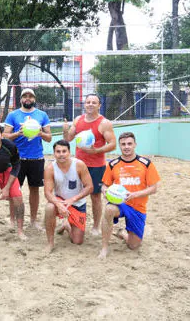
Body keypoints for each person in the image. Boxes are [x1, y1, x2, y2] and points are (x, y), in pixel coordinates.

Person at [98, 132, 160, 259]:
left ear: (135, 144)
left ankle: (123, 233)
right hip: (120, 203)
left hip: (138, 207)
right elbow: (104, 185)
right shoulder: (113, 164)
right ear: (120, 146)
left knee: (133, 245)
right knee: (109, 209)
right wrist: (104, 191)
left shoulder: (146, 163)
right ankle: (104, 248)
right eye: (123, 144)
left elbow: (154, 189)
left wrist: (134, 194)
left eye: (129, 144)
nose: (126, 147)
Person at [62, 94, 116, 235]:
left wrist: (96, 151)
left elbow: (113, 144)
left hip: (96, 166)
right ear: (84, 105)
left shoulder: (104, 123)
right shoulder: (78, 120)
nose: (90, 104)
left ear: (99, 105)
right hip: (78, 165)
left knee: (95, 197)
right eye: (88, 102)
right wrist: (64, 130)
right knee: (73, 194)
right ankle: (70, 221)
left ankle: (96, 226)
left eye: (94, 102)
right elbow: (68, 138)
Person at [4, 88, 52, 229]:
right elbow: (5, 136)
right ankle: (12, 220)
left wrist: (40, 133)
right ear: (21, 99)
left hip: (36, 158)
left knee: (34, 189)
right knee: (14, 191)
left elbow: (49, 138)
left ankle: (33, 220)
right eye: (25, 96)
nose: (27, 98)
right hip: (17, 159)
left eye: (30, 96)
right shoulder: (13, 115)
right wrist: (17, 134)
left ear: (34, 99)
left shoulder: (42, 115)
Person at [44, 139, 93, 252]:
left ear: (69, 152)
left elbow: (90, 187)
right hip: (60, 200)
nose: (61, 154)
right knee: (49, 207)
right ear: (54, 153)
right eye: (58, 151)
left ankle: (66, 225)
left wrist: (73, 199)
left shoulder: (79, 165)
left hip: (77, 203)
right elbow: (47, 192)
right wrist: (58, 204)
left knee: (77, 241)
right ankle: (50, 243)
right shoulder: (50, 168)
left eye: (64, 151)